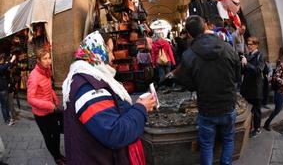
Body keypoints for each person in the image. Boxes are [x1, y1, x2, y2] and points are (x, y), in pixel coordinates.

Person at [62, 31, 157, 165]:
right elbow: (113, 133)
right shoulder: (88, 87)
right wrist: (141, 108)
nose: (113, 57)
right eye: (110, 51)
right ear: (98, 51)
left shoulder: (90, 77)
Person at [171, 15, 241, 165]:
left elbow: (188, 84)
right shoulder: (227, 47)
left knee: (207, 145)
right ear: (206, 28)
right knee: (228, 139)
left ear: (189, 34)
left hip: (207, 109)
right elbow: (236, 75)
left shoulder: (188, 55)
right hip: (228, 105)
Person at [27, 47, 66, 165]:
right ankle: (56, 157)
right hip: (41, 114)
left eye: (49, 58)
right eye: (45, 59)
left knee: (56, 133)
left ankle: (58, 153)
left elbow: (49, 87)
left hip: (51, 109)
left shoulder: (46, 70)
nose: (48, 61)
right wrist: (49, 105)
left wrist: (55, 99)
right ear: (38, 60)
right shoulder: (34, 76)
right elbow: (30, 98)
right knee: (49, 136)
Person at [240, 37, 265, 138]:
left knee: (256, 110)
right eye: (248, 44)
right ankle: (249, 127)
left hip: (256, 88)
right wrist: (242, 65)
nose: (249, 46)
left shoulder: (260, 56)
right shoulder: (247, 55)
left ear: (256, 45)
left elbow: (258, 70)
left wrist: (247, 63)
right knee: (248, 110)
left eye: (251, 44)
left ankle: (257, 128)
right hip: (247, 88)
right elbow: (243, 73)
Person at [0, 54, 16, 126]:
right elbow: (3, 68)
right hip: (2, 89)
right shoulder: (1, 67)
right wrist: (11, 60)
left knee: (5, 105)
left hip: (4, 88)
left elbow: (5, 69)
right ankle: (7, 120)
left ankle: (9, 118)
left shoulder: (3, 66)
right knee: (4, 105)